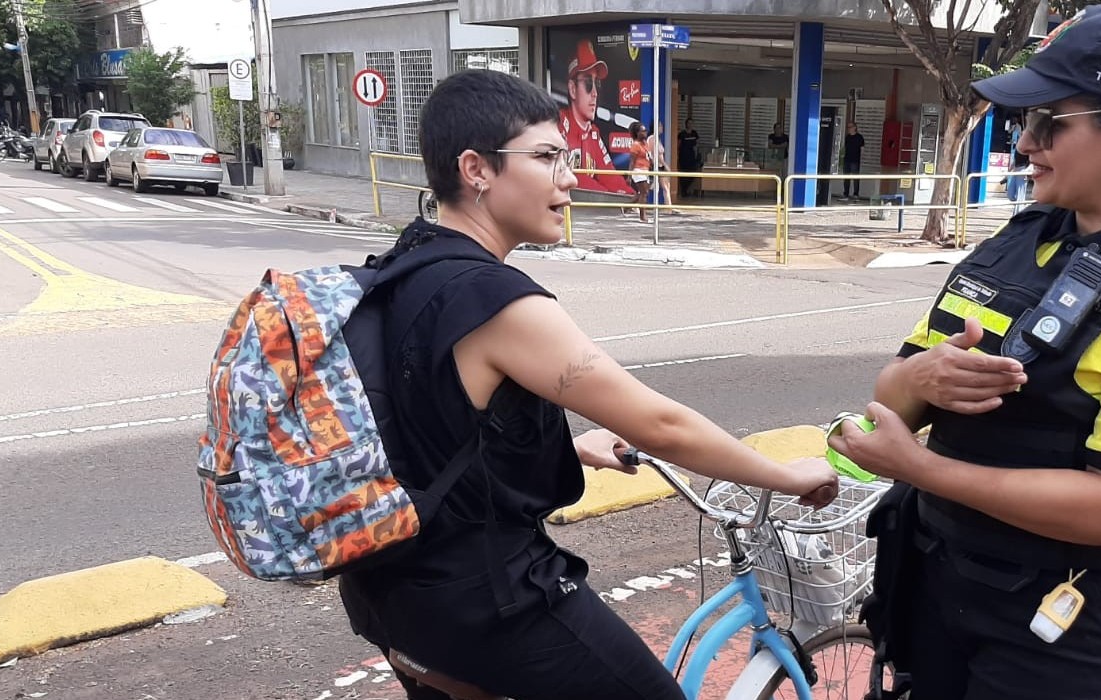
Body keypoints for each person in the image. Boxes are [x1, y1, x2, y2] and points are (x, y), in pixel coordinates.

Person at [337, 69, 840, 700]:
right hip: (487, 601)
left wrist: (571, 447)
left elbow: (420, 423)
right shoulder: (495, 298)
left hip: (391, 593)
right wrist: (790, 476)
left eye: (568, 158)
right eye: (547, 157)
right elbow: (661, 425)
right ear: (477, 169)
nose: (570, 178)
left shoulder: (396, 269)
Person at [828, 4, 1101, 699]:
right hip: (945, 586)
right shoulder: (1018, 240)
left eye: (1047, 122)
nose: (1024, 142)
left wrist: (918, 467)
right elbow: (893, 399)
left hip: (1077, 627)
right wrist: (920, 375)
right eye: (1020, 122)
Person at [558, 39, 629, 194]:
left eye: (597, 84)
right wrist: (608, 197)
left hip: (585, 214)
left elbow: (608, 174)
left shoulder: (593, 133)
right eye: (589, 84)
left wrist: (630, 196)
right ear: (572, 89)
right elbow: (571, 176)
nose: (595, 93)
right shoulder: (559, 124)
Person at [624, 122, 652, 222]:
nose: (645, 133)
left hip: (646, 170)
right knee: (644, 193)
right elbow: (632, 162)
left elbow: (648, 156)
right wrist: (629, 176)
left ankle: (626, 207)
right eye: (643, 131)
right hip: (638, 170)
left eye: (645, 130)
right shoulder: (635, 145)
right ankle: (642, 216)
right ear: (637, 133)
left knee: (642, 193)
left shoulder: (645, 143)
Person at [677, 117, 701, 197]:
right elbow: (678, 145)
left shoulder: (694, 133)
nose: (690, 125)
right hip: (683, 157)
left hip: (692, 157)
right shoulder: (682, 134)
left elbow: (697, 144)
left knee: (692, 173)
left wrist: (696, 152)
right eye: (688, 123)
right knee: (683, 174)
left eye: (691, 123)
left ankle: (686, 188)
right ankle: (683, 191)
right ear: (686, 124)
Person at [842, 121, 865, 200]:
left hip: (855, 160)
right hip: (847, 159)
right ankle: (846, 194)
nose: (849, 129)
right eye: (848, 127)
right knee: (846, 178)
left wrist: (861, 159)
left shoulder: (859, 137)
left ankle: (856, 194)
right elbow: (845, 148)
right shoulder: (847, 137)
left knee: (855, 178)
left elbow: (862, 149)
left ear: (855, 127)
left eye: (850, 127)